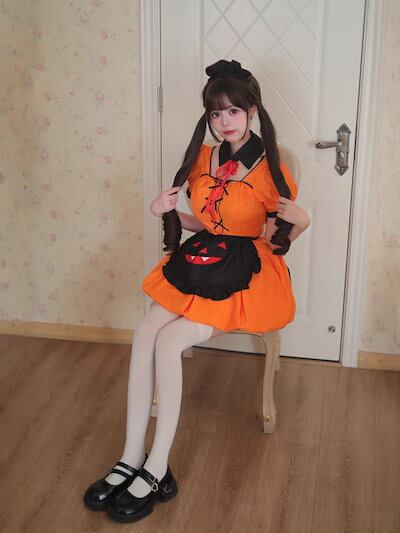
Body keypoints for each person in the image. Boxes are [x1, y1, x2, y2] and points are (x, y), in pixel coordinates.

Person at [83, 59, 311, 523]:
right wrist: (163, 211)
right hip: (204, 258)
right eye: (215, 113)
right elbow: (207, 223)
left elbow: (274, 237)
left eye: (233, 111)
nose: (224, 121)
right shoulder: (204, 160)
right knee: (145, 330)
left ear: (252, 111)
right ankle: (130, 455)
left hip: (247, 271)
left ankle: (156, 466)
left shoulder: (270, 168)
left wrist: (303, 222)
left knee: (171, 340)